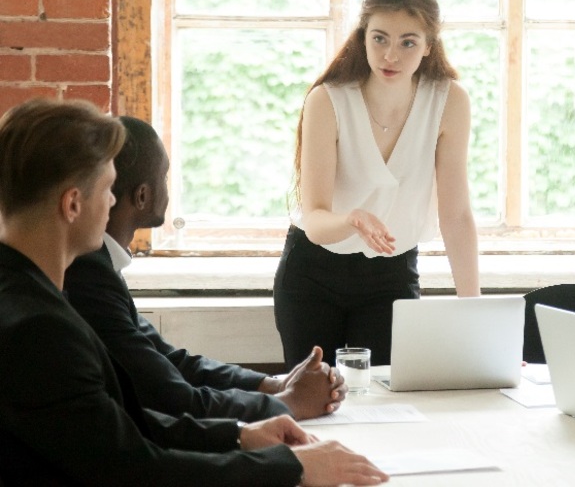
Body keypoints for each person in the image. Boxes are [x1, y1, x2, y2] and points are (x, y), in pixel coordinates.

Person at [0, 99, 389, 486]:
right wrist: (294, 468)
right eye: (107, 189)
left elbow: (113, 424)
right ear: (72, 203)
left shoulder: (29, 294)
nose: (114, 201)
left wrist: (238, 436)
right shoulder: (39, 328)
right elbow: (132, 468)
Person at [64, 116, 347, 423]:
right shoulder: (88, 273)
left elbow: (169, 360)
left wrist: (272, 385)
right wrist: (288, 404)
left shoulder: (102, 265)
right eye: (165, 177)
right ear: (142, 196)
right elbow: (171, 397)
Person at [274, 0, 481, 367]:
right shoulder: (328, 100)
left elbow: (456, 216)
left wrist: (475, 317)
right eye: (380, 39)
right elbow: (315, 220)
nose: (391, 55)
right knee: (315, 402)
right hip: (313, 274)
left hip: (391, 276)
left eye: (408, 42)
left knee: (386, 403)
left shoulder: (449, 101)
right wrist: (352, 219)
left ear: (428, 46)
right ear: (362, 37)